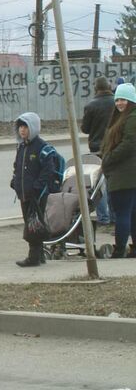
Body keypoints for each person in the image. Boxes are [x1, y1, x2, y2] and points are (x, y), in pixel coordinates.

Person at [10, 112, 62, 268]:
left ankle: (33, 257)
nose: (22, 130)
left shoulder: (42, 148)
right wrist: (14, 182)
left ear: (33, 127)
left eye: (25, 126)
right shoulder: (22, 147)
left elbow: (48, 170)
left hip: (36, 194)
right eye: (20, 127)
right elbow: (17, 166)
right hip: (24, 193)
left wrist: (37, 187)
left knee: (34, 225)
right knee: (30, 223)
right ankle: (39, 255)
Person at [99, 82, 136, 258]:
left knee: (122, 213)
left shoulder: (131, 118)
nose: (120, 103)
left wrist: (108, 159)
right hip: (125, 174)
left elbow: (129, 143)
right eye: (118, 100)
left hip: (124, 175)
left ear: (131, 100)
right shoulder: (122, 118)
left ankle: (119, 249)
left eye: (124, 100)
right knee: (131, 213)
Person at [81, 76, 116, 225]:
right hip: (114, 147)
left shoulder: (91, 106)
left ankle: (103, 218)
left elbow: (85, 129)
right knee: (113, 183)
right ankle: (114, 217)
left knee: (98, 186)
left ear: (96, 89)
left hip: (96, 149)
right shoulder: (117, 103)